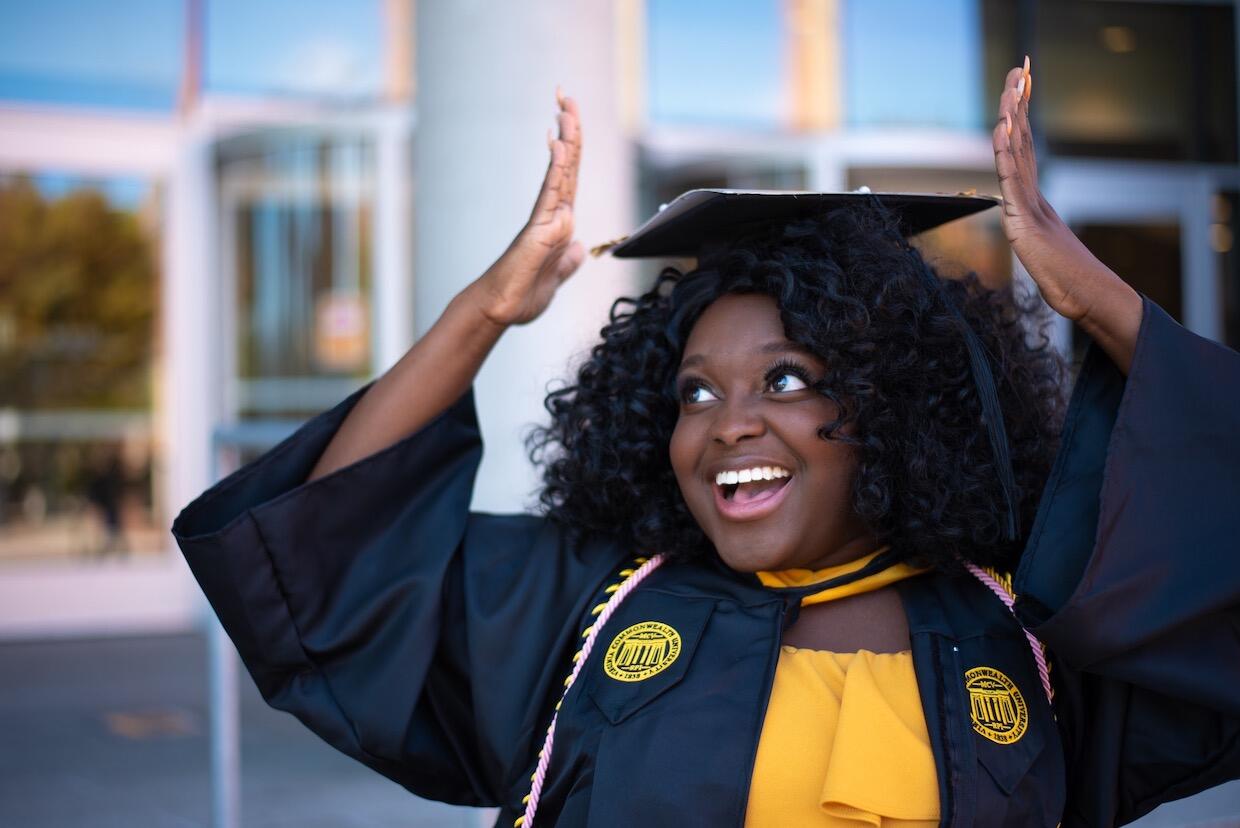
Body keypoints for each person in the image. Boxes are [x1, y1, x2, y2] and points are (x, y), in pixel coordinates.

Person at [172, 60, 1240, 827]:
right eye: (694, 392)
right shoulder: (592, 611)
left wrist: (1100, 302)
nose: (728, 424)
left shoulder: (1025, 631)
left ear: (894, 404)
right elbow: (330, 560)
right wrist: (486, 310)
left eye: (786, 380)